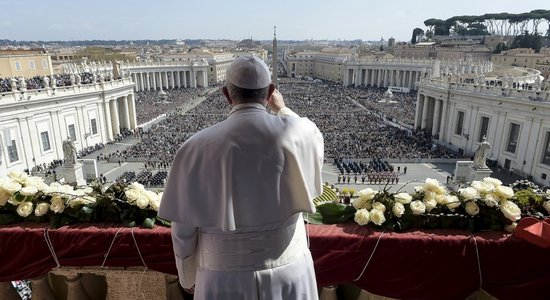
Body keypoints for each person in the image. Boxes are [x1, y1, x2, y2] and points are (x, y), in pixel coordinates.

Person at [159, 56, 324, 300]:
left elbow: (183, 231)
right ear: (270, 92)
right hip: (289, 270)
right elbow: (305, 128)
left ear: (226, 95)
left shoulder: (195, 147)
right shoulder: (300, 133)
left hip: (223, 276)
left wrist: (187, 276)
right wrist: (282, 108)